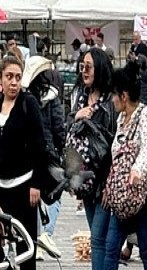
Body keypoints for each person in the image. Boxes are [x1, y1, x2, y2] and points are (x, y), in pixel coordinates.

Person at [84, 61, 147, 270]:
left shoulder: (145, 115)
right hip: (121, 197)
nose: (113, 100)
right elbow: (116, 158)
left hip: (144, 196)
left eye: (115, 95)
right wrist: (109, 186)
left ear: (124, 96)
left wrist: (137, 172)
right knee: (111, 245)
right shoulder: (120, 119)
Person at [71, 48, 119, 270]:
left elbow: (113, 140)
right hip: (85, 181)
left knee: (99, 239)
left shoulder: (110, 102)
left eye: (88, 66)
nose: (84, 71)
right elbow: (68, 129)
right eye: (82, 66)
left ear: (100, 68)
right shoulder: (79, 97)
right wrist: (78, 116)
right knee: (96, 237)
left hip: (104, 181)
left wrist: (110, 182)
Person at [0, 55, 48, 270]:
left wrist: (36, 184)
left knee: (25, 242)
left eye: (18, 77)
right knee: (0, 243)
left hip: (23, 184)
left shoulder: (28, 105)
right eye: (9, 77)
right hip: (1, 187)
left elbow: (39, 147)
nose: (14, 82)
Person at [24, 55, 65, 258]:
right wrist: (61, 149)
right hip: (49, 154)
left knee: (35, 196)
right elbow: (59, 127)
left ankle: (35, 238)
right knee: (56, 193)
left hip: (29, 154)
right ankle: (45, 235)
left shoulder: (24, 98)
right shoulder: (52, 98)